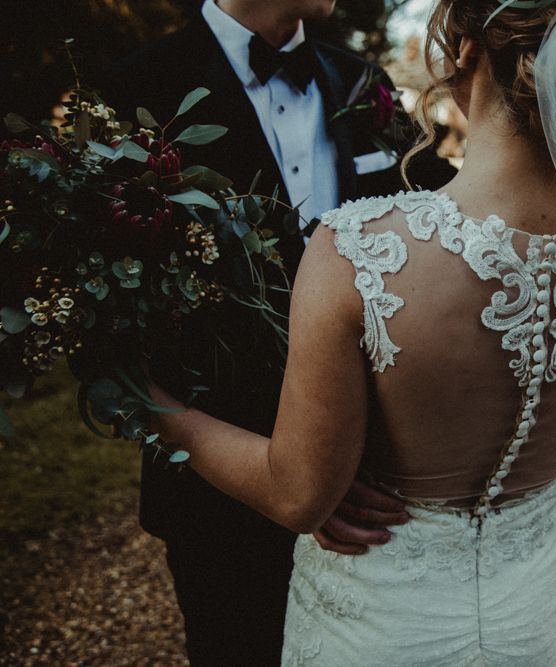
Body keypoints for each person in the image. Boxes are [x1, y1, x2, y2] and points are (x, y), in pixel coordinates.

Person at [152, 0, 556, 664]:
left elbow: (298, 494)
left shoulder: (355, 251)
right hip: (528, 617)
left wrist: (152, 403)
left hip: (378, 625)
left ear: (463, 52)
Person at [108, 1, 456, 664]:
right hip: (221, 490)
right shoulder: (135, 88)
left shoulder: (359, 80)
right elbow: (117, 323)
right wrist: (295, 474)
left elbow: (448, 206)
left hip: (369, 482)